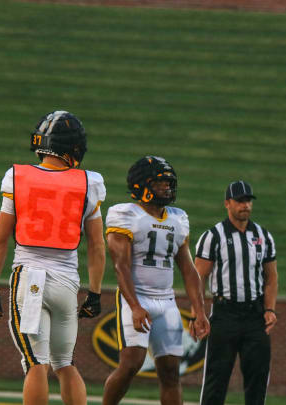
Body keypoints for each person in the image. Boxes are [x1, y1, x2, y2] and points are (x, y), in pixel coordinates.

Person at [0, 111, 106, 405]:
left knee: (35, 363)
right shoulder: (89, 182)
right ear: (72, 147)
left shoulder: (18, 177)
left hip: (31, 278)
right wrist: (95, 292)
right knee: (64, 363)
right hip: (67, 281)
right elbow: (96, 245)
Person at [102, 156, 210, 405]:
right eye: (160, 183)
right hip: (136, 298)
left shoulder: (177, 218)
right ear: (142, 185)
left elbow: (188, 268)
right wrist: (136, 306)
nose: (167, 188)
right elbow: (121, 266)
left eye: (169, 183)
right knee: (131, 364)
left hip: (167, 302)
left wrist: (199, 310)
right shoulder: (126, 215)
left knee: (172, 372)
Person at [194, 180, 278, 405]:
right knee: (216, 378)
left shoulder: (263, 236)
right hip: (225, 313)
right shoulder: (213, 236)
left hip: (255, 314)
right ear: (227, 204)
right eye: (240, 201)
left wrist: (270, 309)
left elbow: (271, 277)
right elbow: (198, 277)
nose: (246, 205)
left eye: (248, 200)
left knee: (258, 378)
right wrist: (198, 312)